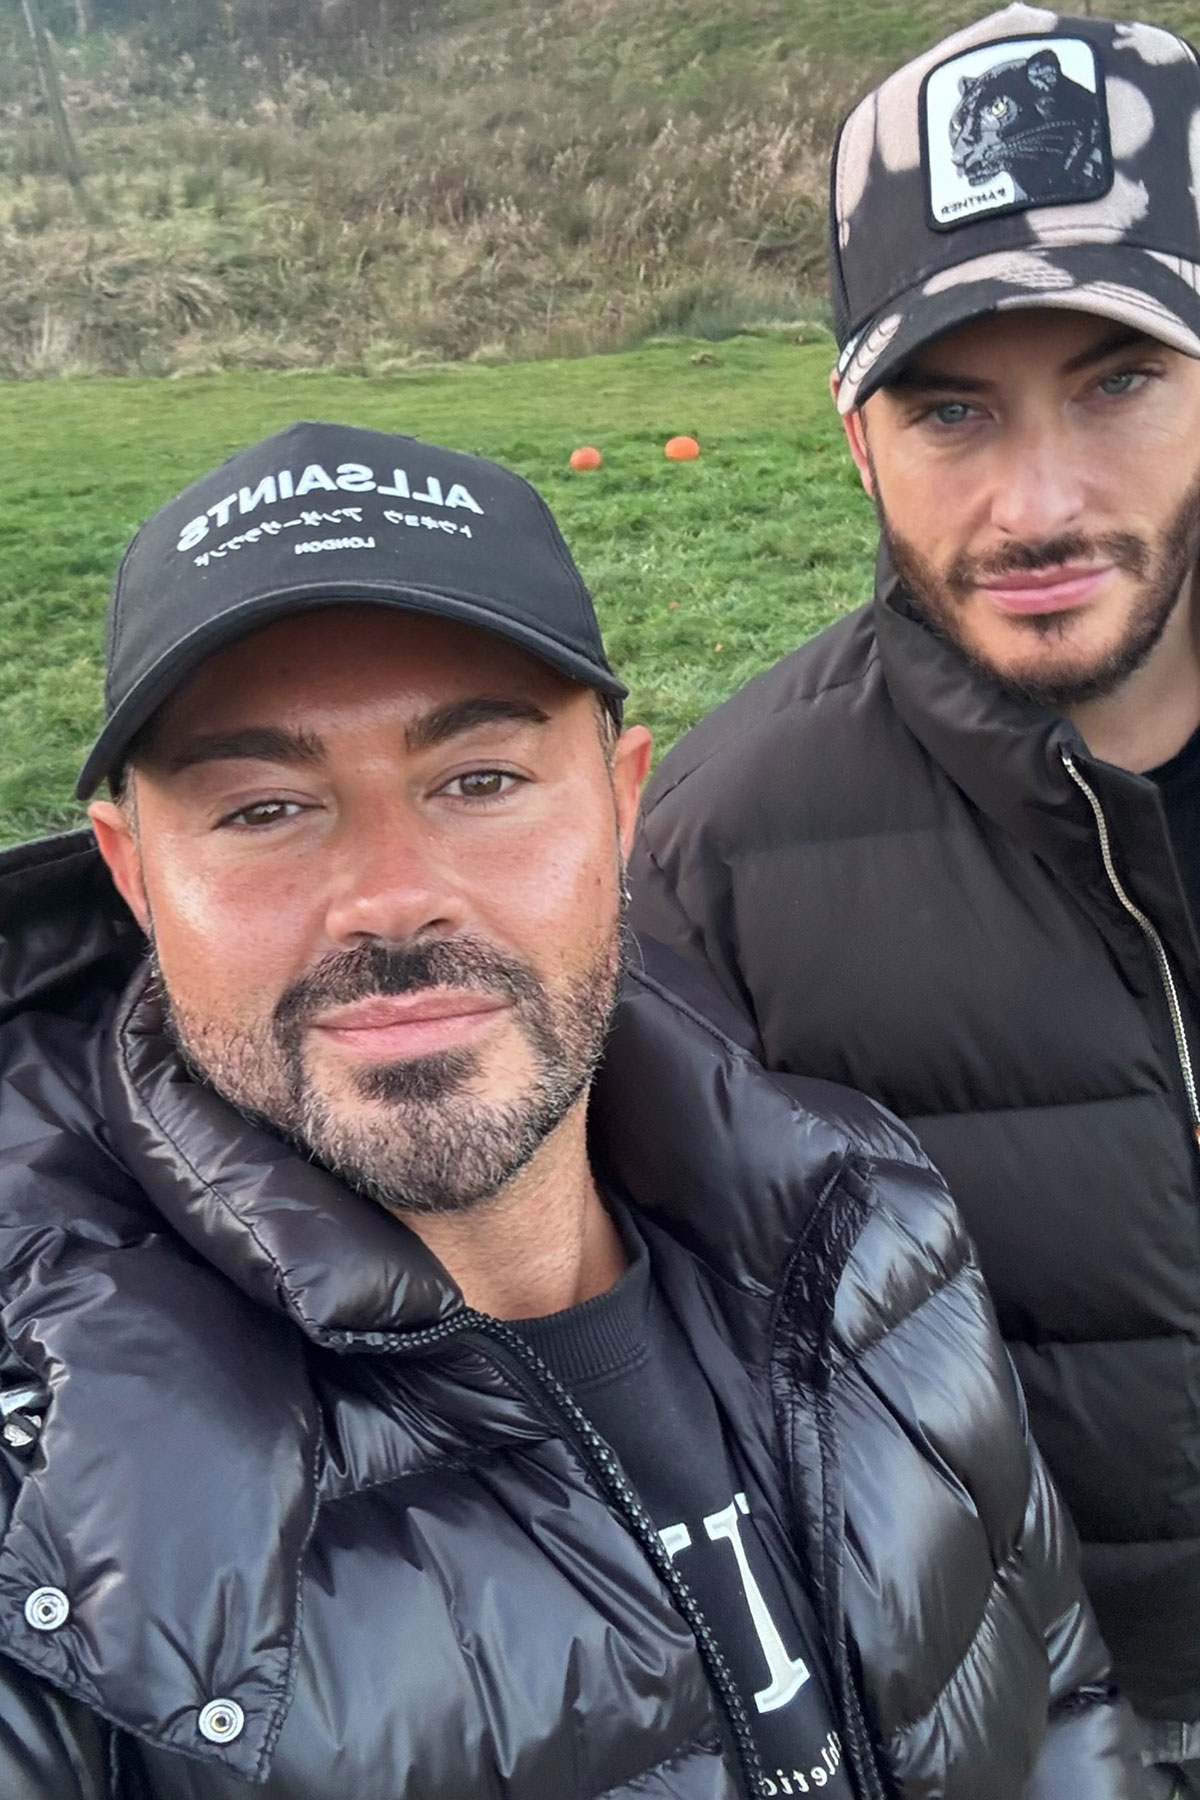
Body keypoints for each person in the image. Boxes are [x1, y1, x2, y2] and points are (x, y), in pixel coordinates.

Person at [0, 420, 1139, 1797]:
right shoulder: (58, 1519)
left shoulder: (872, 1227)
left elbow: (1063, 1716)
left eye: (478, 782)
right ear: (132, 875)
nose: (389, 894)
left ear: (620, 806)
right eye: (261, 810)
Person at [629, 5, 1200, 1795]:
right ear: (855, 434)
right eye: (951, 407)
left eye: (1117, 380)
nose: (1039, 501)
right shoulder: (715, 858)